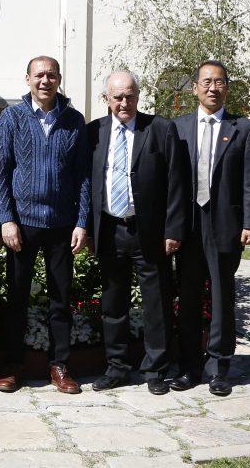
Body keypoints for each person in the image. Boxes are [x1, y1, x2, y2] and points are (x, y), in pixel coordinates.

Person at [0, 56, 90, 394]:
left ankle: (59, 366)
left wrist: (81, 221)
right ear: (28, 79)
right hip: (22, 224)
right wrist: (6, 219)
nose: (45, 80)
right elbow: (0, 172)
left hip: (62, 225)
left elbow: (83, 177)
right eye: (39, 75)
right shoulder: (12, 117)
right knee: (17, 298)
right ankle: (13, 365)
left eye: (51, 75)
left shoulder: (74, 120)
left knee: (61, 298)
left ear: (59, 78)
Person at [86, 71, 185, 395]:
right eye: (117, 97)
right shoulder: (94, 133)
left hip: (149, 233)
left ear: (138, 96)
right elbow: (86, 185)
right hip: (111, 230)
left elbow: (175, 183)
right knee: (113, 305)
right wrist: (85, 227)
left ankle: (155, 369)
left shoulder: (159, 129)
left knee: (156, 304)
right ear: (107, 99)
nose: (124, 102)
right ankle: (116, 367)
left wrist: (173, 229)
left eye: (129, 95)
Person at [171, 60, 250, 397]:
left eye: (219, 82)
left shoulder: (245, 129)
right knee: (189, 297)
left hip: (225, 223)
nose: (213, 88)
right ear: (194, 87)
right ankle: (189, 367)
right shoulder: (176, 127)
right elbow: (171, 183)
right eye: (206, 82)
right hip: (188, 224)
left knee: (222, 296)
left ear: (227, 87)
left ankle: (219, 367)